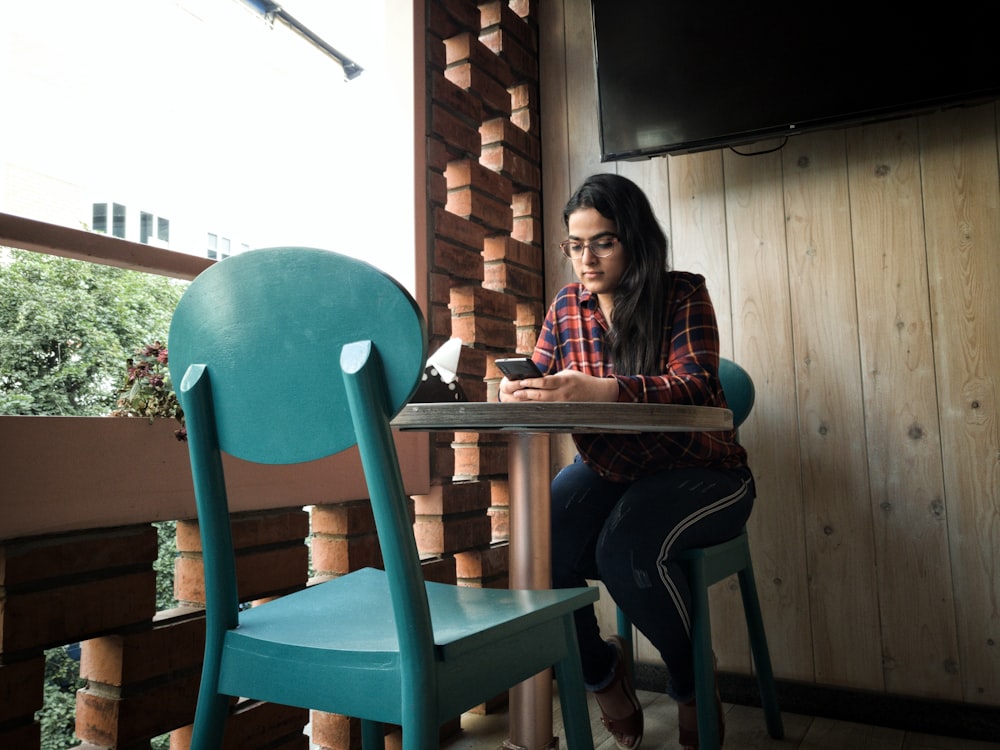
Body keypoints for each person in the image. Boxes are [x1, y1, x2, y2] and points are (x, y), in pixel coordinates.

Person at [498, 173, 754, 750]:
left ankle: (691, 684)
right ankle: (602, 673)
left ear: (635, 240)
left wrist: (599, 390)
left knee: (624, 551)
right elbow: (543, 378)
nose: (585, 259)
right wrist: (522, 391)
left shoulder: (683, 292)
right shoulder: (567, 305)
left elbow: (694, 385)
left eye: (603, 242)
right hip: (612, 470)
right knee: (539, 546)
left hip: (705, 471)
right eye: (575, 244)